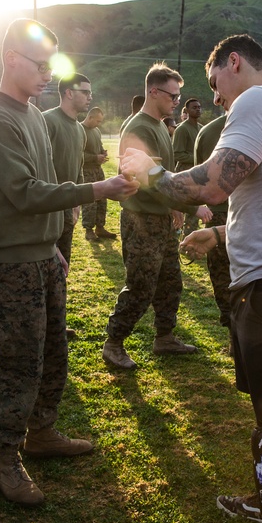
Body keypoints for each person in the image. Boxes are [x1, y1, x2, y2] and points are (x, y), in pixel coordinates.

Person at [121, 33, 262, 523]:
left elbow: (211, 181)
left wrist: (149, 173)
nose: (214, 98)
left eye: (214, 84)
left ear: (234, 63)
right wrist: (223, 231)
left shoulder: (256, 101)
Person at [0, 19, 138, 506]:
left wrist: (53, 245)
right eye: (40, 65)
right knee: (19, 362)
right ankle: (5, 459)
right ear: (10, 60)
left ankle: (40, 434)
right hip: (10, 265)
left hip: (40, 257)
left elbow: (43, 188)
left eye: (52, 65)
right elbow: (24, 193)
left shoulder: (32, 116)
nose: (48, 74)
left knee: (53, 355)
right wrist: (97, 189)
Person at [102, 63, 210, 370]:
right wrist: (189, 205)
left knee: (170, 282)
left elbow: (164, 175)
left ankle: (164, 337)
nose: (177, 101)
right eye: (172, 95)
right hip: (142, 221)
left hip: (160, 217)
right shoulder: (140, 128)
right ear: (154, 91)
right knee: (141, 285)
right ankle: (113, 343)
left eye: (179, 95)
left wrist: (174, 205)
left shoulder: (161, 126)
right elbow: (140, 181)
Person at [43, 73, 93, 339]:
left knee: (63, 267)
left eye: (90, 93)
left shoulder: (79, 129)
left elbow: (79, 169)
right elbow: (41, 168)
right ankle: (45, 325)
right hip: (47, 206)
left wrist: (77, 204)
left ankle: (57, 323)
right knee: (45, 268)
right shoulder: (47, 121)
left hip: (67, 209)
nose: (89, 97)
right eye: (84, 92)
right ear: (68, 93)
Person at [194, 108, 232, 344]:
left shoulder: (207, 132)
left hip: (217, 212)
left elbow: (200, 179)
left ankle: (233, 331)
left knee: (222, 275)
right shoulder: (259, 125)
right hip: (236, 212)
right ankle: (238, 333)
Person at [81, 106, 116, 240]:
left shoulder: (96, 131)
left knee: (102, 198)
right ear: (90, 117)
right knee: (90, 200)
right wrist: (95, 158)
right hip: (86, 170)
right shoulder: (80, 130)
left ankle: (100, 227)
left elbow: (99, 146)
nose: (99, 124)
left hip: (97, 170)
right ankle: (88, 230)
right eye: (97, 121)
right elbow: (78, 154)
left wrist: (102, 152)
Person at [174, 97, 204, 235]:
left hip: (197, 173)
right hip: (185, 172)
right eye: (194, 107)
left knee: (195, 206)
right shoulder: (182, 129)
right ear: (186, 110)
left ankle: (192, 236)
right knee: (185, 207)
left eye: (199, 107)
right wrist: (196, 158)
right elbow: (177, 154)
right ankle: (184, 238)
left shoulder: (201, 128)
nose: (197, 109)